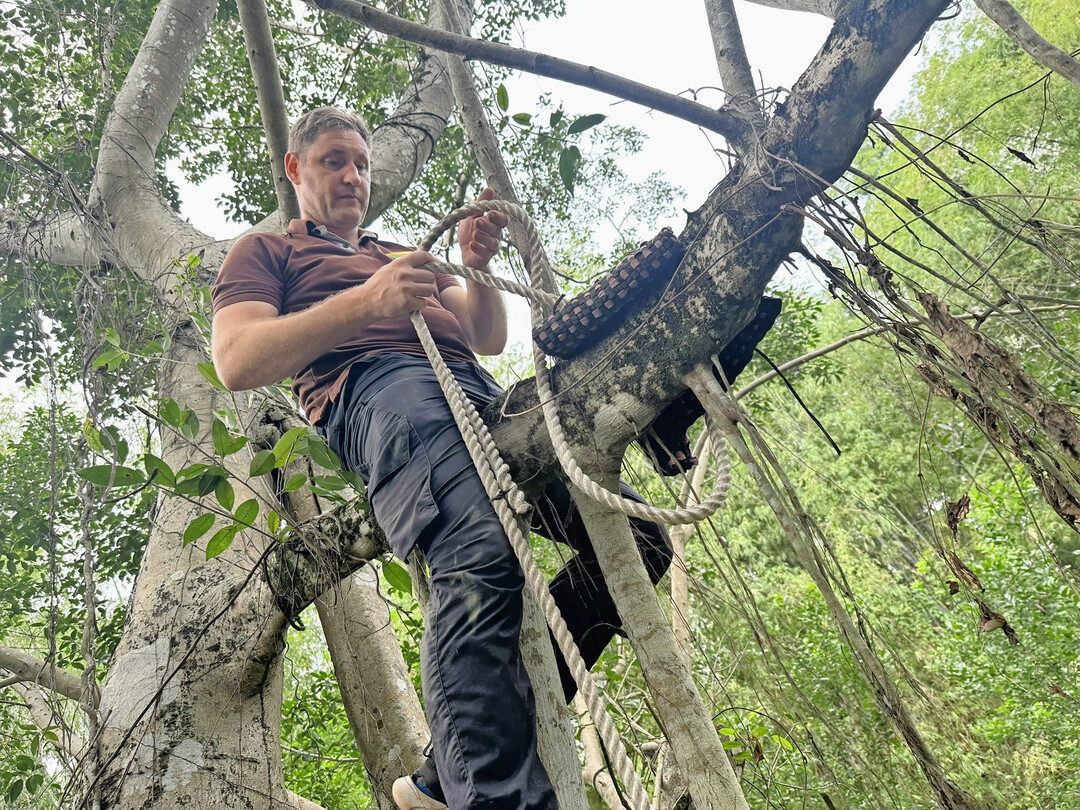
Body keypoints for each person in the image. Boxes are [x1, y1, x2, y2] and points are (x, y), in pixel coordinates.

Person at [211, 107, 671, 810]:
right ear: (295, 168)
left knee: (639, 537)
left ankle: (451, 764)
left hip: (481, 393)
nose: (353, 176)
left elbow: (486, 334)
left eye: (362, 164)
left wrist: (476, 267)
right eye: (334, 161)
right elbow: (237, 359)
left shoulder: (401, 253)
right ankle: (494, 796)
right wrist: (366, 303)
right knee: (479, 548)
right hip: (380, 392)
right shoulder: (268, 252)